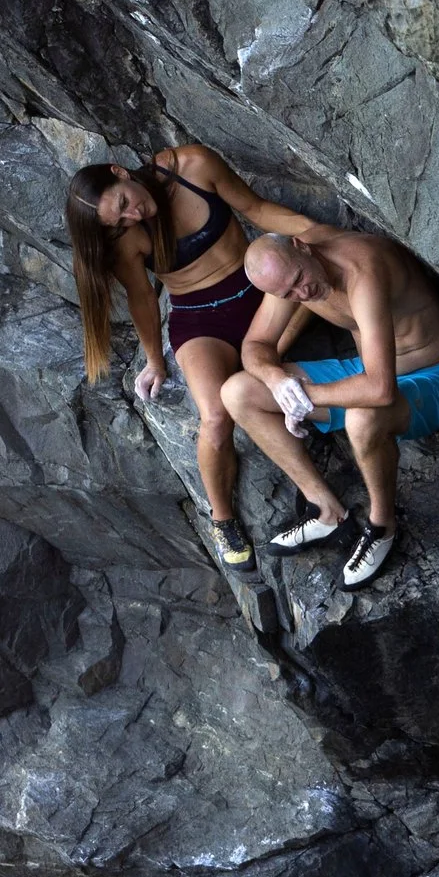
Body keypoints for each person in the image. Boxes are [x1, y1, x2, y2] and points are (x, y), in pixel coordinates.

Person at [64, 147, 336, 569]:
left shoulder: (192, 166)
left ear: (120, 172)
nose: (132, 216)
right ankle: (223, 519)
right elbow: (141, 298)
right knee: (215, 416)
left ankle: (312, 483)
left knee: (315, 290)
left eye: (123, 203)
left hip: (262, 296)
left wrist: (317, 231)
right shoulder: (127, 236)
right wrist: (155, 362)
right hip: (199, 321)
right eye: (119, 221)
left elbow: (257, 209)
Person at [221, 232, 439, 588]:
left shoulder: (361, 270)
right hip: (367, 369)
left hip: (437, 377)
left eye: (298, 281)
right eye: (287, 294)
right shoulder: (287, 279)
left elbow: (379, 391)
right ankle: (325, 511)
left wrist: (303, 398)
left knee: (361, 415)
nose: (301, 295)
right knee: (237, 391)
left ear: (301, 246)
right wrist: (279, 383)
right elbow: (255, 345)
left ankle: (382, 526)